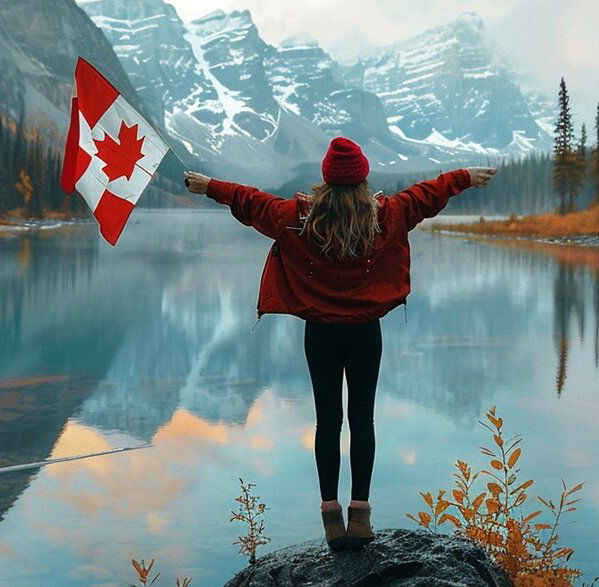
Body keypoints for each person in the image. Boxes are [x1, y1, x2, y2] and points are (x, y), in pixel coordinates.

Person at [184, 137, 496, 551]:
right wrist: (463, 178)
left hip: (321, 334)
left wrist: (209, 186)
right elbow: (427, 195)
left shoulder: (297, 217)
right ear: (363, 178)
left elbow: (251, 201)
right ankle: (361, 514)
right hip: (366, 332)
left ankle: (331, 515)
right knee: (362, 420)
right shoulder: (388, 214)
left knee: (328, 422)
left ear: (326, 180)